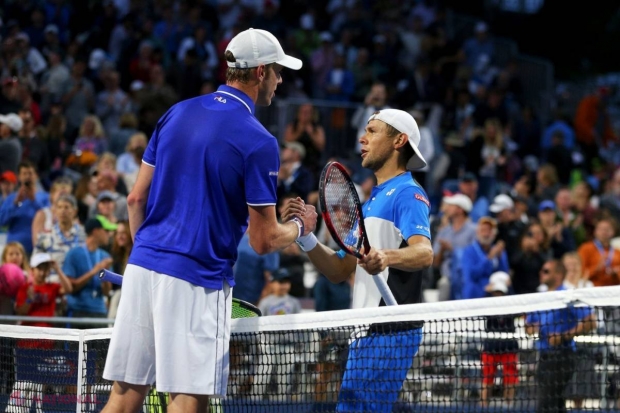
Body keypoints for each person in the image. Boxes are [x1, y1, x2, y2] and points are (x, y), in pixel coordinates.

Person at [101, 28, 315, 413]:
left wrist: (147, 258)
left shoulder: (176, 112)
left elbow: (135, 199)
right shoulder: (259, 140)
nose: (281, 81)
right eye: (279, 72)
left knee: (123, 398)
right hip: (197, 280)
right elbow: (264, 240)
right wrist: (301, 228)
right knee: (187, 402)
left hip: (143, 266)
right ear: (261, 72)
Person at [282, 108, 433, 412]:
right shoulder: (370, 202)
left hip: (389, 329)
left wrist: (386, 257)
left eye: (373, 131)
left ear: (398, 140)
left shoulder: (408, 193)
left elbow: (424, 252)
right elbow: (339, 269)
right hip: (364, 330)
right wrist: (307, 237)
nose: (362, 139)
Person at [525, 259, 596, 413]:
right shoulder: (540, 297)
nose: (541, 274)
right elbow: (528, 326)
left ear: (558, 274)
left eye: (546, 271)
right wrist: (535, 329)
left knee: (546, 402)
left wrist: (563, 336)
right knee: (556, 403)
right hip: (544, 356)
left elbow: (590, 322)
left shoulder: (569, 295)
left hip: (563, 356)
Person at [62, 216, 115, 325]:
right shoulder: (74, 254)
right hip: (77, 312)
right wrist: (93, 271)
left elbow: (106, 292)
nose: (109, 234)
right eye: (106, 231)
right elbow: (71, 288)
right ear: (96, 231)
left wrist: (104, 274)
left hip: (99, 312)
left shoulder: (105, 256)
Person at [480, 271, 518, 408]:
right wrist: (486, 292)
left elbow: (519, 304)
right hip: (490, 347)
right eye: (495, 292)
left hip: (509, 347)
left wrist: (511, 286)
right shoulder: (488, 306)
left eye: (500, 292)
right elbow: (478, 308)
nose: (498, 295)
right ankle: (484, 405)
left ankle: (509, 404)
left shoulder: (511, 305)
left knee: (510, 378)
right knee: (487, 378)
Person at [0, 160, 50, 255]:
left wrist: (33, 200)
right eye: (24, 173)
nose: (27, 176)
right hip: (14, 249)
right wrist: (16, 203)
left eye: (30, 173)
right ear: (19, 177)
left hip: (38, 248)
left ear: (36, 175)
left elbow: (49, 218)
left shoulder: (45, 197)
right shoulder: (11, 198)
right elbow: (2, 221)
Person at [232, 229, 280, 306]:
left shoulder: (269, 245)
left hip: (253, 301)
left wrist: (259, 304)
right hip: (232, 298)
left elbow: (270, 281)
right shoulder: (240, 239)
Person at [577, 218, 620, 287]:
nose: (604, 232)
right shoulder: (585, 249)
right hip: (592, 290)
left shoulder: (618, 252)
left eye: (607, 229)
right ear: (595, 231)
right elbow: (579, 273)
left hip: (613, 291)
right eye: (601, 229)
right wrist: (596, 268)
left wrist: (616, 272)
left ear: (613, 232)